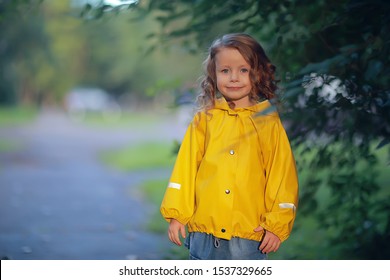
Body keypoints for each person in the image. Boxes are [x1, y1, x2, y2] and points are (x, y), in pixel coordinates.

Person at [160, 33, 299, 260]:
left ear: (258, 73)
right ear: (214, 75)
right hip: (204, 235)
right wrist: (177, 214)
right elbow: (185, 170)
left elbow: (282, 176)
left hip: (249, 237)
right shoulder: (205, 120)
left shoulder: (268, 122)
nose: (234, 77)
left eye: (243, 70)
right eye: (225, 71)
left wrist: (277, 223)